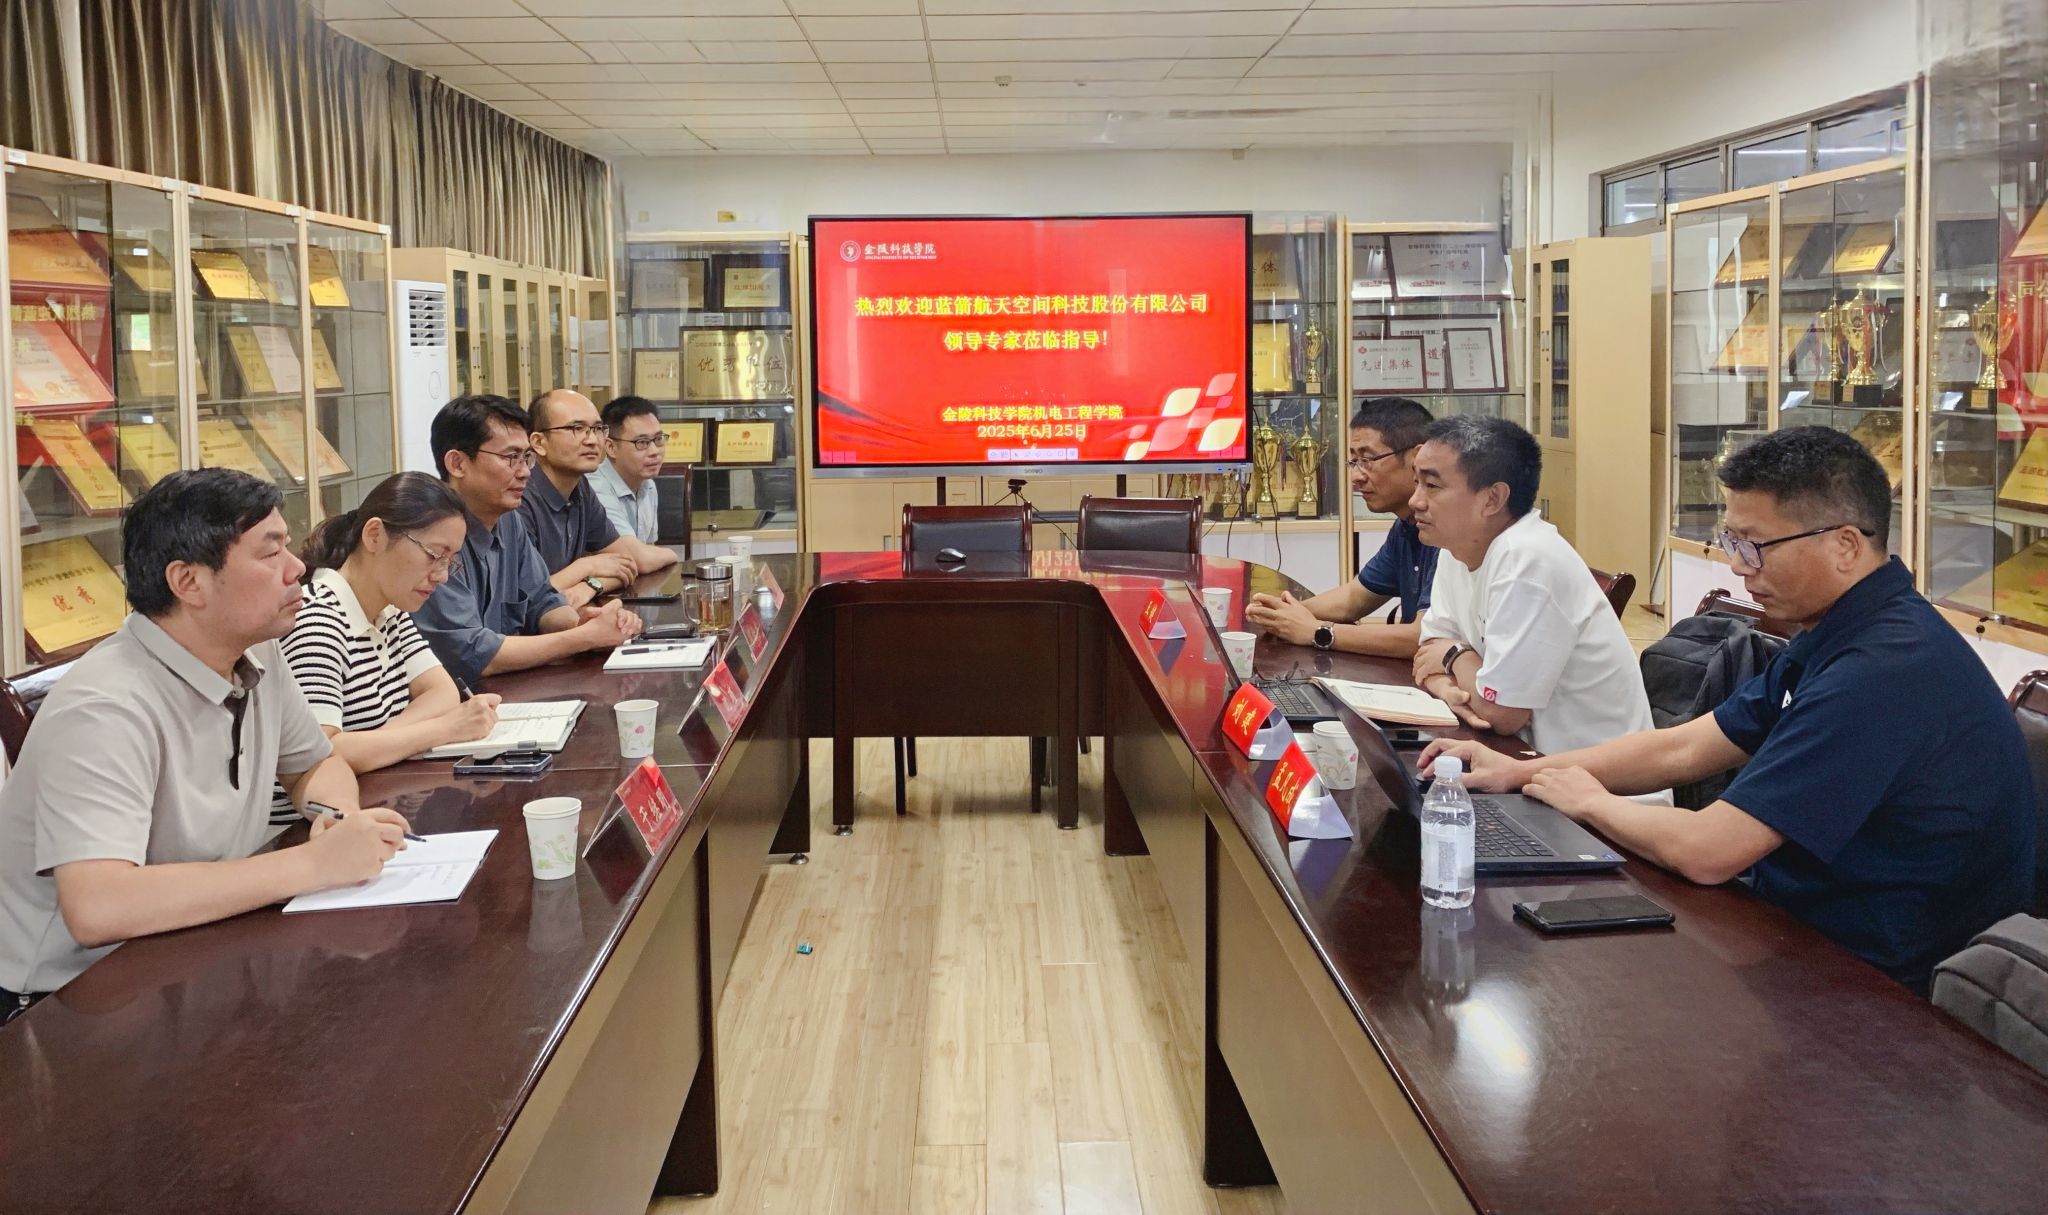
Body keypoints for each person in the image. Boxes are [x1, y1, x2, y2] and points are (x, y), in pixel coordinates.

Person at [1422, 427, 2033, 993]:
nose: (1739, 565)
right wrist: (1521, 772)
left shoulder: (1886, 669)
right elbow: (1687, 745)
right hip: (1795, 920)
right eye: (1732, 543)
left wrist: (1587, 800)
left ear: (1846, 545)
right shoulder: (1841, 630)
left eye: (1755, 546)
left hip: (1871, 977)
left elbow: (1709, 852)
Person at [0, 469, 412, 1022]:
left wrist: (339, 820)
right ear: (188, 582)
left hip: (196, 954)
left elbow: (314, 764)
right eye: (270, 553)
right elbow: (99, 906)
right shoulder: (104, 706)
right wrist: (313, 864)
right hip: (73, 1002)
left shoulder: (256, 650)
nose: (298, 568)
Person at [1407, 415, 1657, 760]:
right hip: (1520, 760)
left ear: (1493, 499)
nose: (1415, 501)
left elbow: (1501, 714)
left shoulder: (1526, 560)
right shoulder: (1456, 548)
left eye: (1432, 486)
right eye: (1416, 483)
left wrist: (1453, 655)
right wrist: (1447, 686)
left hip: (1596, 781)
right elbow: (1427, 653)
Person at [268, 471, 505, 828]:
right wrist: (443, 730)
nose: (442, 575)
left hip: (378, 806)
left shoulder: (389, 610)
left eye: (450, 561)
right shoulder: (318, 619)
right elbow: (322, 753)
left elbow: (441, 691)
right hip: (311, 829)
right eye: (434, 555)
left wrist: (382, 741)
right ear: (375, 535)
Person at [411, 394, 643, 687]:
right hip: (456, 700)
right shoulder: (430, 537)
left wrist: (582, 622)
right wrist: (583, 638)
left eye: (526, 458)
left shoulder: (508, 520)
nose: (524, 472)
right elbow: (475, 654)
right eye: (511, 458)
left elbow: (543, 601)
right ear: (457, 464)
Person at [1245, 397, 1438, 656]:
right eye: (1353, 461)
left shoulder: (1447, 530)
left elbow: (1424, 637)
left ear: (1416, 457)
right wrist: (1281, 614)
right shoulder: (1405, 527)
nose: (1356, 477)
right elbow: (1353, 599)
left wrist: (1317, 631)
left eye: (1368, 460)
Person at [521, 388, 677, 593]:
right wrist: (586, 567)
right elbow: (525, 596)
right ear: (539, 443)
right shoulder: (519, 497)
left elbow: (627, 564)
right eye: (577, 428)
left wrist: (590, 586)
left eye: (597, 429)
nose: (592, 440)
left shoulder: (581, 489)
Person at [590, 395, 667, 544]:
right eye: (642, 442)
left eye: (658, 440)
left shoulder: (648, 485)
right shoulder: (595, 489)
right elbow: (633, 553)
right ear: (611, 447)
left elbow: (649, 547)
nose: (654, 451)